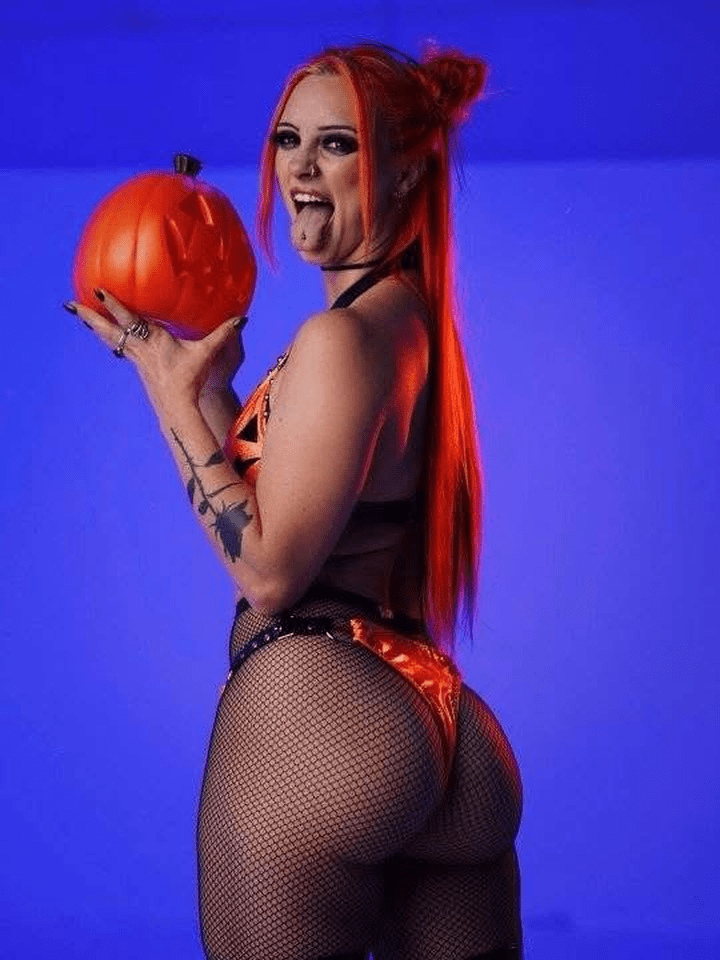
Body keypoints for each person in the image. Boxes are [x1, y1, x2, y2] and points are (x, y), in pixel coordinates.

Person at [64, 39, 523, 960]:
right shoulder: (408, 320)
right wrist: (209, 390)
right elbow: (303, 495)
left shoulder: (340, 338)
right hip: (444, 730)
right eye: (288, 139)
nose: (301, 169)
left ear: (405, 171)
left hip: (318, 715)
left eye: (337, 144)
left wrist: (164, 391)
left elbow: (271, 573)